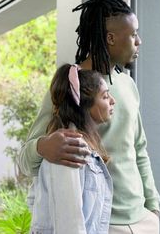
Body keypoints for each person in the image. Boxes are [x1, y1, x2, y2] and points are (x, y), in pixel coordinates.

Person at [19, 0, 160, 233]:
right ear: (111, 38)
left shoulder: (127, 84)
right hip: (100, 223)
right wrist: (43, 147)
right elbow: (25, 159)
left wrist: (153, 206)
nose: (139, 41)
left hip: (142, 219)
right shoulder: (70, 87)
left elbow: (139, 149)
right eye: (133, 34)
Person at [30, 64, 115, 233]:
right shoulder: (68, 148)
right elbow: (69, 224)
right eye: (105, 96)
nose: (113, 100)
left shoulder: (84, 146)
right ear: (85, 104)